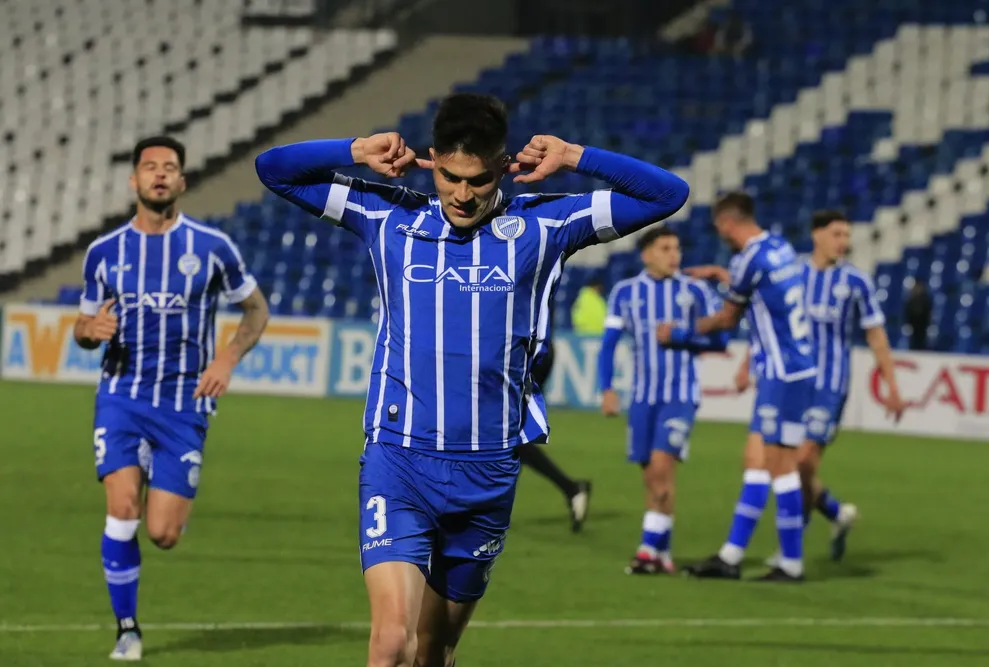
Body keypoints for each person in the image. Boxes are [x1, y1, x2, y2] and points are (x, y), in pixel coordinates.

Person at [254, 92, 689, 667]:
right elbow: (273, 171)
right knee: (390, 644)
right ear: (433, 161)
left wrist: (573, 155)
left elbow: (668, 194)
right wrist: (355, 150)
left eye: (479, 180)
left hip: (487, 471)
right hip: (399, 461)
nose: (463, 194)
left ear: (503, 166)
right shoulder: (389, 215)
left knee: (436, 650)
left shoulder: (546, 225)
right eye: (451, 178)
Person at [74, 136, 269, 660]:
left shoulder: (211, 247)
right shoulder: (104, 253)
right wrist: (91, 329)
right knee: (121, 510)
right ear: (134, 181)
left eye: (170, 168)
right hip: (121, 396)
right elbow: (82, 326)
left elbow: (256, 310)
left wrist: (226, 359)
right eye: (150, 167)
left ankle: (154, 482)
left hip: (184, 406)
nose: (160, 174)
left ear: (182, 181)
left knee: (162, 533)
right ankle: (128, 629)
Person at [736, 210, 905, 565]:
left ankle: (789, 548)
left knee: (802, 460)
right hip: (792, 382)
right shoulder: (792, 272)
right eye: (837, 234)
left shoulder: (856, 282)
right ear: (817, 235)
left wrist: (892, 385)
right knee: (791, 466)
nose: (843, 242)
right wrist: (746, 362)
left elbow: (876, 334)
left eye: (846, 235)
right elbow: (769, 323)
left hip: (829, 386)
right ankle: (836, 513)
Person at [662, 191, 815, 582]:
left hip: (779, 374)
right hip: (801, 369)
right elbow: (761, 290)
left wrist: (678, 331)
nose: (721, 235)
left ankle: (790, 562)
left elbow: (728, 319)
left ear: (729, 223)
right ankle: (733, 554)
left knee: (779, 466)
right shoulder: (779, 247)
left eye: (720, 228)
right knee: (760, 461)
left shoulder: (748, 259)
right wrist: (721, 274)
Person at [597, 226, 728, 575]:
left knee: (660, 468)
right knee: (653, 480)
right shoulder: (625, 293)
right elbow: (608, 344)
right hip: (642, 398)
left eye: (677, 248)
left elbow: (721, 341)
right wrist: (607, 389)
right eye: (666, 248)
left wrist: (682, 337)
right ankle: (663, 555)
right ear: (647, 255)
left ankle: (646, 551)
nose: (675, 255)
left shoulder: (696, 291)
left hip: (679, 395)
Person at [520, 338, 593, 533]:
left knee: (512, 437)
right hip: (531, 349)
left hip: (527, 352)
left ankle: (572, 488)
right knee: (511, 437)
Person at [904, 280, 932, 351]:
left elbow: (928, 314)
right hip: (913, 327)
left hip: (923, 327)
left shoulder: (926, 300)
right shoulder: (910, 300)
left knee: (921, 344)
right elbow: (907, 314)